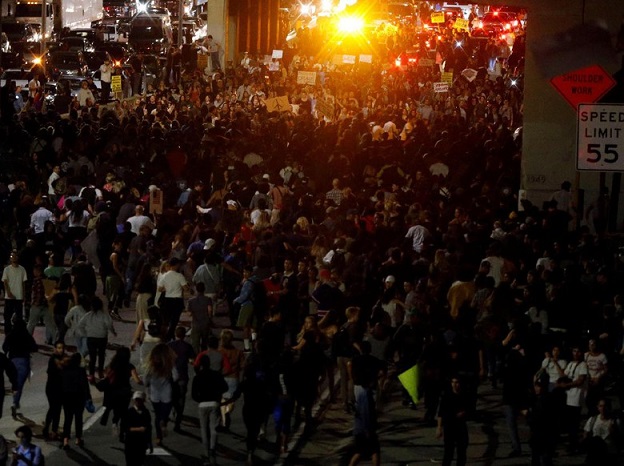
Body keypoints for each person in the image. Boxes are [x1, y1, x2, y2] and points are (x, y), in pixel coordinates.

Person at [192, 354, 228, 466]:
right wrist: (217, 395)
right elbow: (225, 387)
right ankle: (212, 448)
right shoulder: (216, 375)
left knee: (204, 430)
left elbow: (193, 394)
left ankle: (206, 454)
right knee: (213, 428)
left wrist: (200, 399)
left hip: (202, 404)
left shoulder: (197, 377)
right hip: (214, 403)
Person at [99, 347, 142, 435]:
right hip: (124, 392)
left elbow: (106, 376)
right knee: (123, 412)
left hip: (112, 391)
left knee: (115, 408)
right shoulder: (130, 366)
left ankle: (113, 421)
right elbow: (137, 380)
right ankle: (120, 429)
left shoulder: (111, 365)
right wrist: (142, 382)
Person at [2, 318, 37, 418]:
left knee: (15, 383)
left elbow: (5, 347)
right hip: (23, 361)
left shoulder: (10, 335)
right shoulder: (27, 335)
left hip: (12, 361)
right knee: (19, 384)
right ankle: (15, 403)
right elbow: (34, 347)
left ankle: (15, 402)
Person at [144, 343, 177, 446]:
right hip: (167, 393)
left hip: (154, 394)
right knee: (165, 413)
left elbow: (145, 380)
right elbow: (176, 376)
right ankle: (164, 423)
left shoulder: (151, 366)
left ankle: (158, 437)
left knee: (157, 415)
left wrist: (148, 385)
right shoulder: (169, 365)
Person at [78, 296, 117, 382]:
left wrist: (85, 333)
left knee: (92, 357)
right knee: (101, 355)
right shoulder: (104, 315)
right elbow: (109, 324)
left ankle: (91, 374)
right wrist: (113, 332)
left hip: (91, 338)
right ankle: (100, 372)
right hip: (102, 337)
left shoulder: (87, 315)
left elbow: (80, 325)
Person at [61, 352, 92, 449]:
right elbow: (85, 385)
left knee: (67, 419)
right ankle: (78, 438)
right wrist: (88, 397)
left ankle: (65, 439)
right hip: (78, 397)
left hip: (67, 397)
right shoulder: (81, 370)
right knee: (78, 418)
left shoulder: (65, 370)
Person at [437, 376, 469, 466]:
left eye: (457, 382)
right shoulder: (447, 396)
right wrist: (439, 428)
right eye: (453, 382)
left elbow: (469, 409)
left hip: (461, 426)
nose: (454, 385)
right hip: (449, 426)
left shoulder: (464, 395)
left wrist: (464, 412)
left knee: (462, 452)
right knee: (448, 453)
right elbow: (440, 413)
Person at [168, 326, 195, 432]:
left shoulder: (169, 346)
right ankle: (178, 420)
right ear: (184, 335)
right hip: (183, 375)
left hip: (170, 377)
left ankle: (172, 412)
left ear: (176, 334)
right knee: (181, 399)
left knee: (171, 396)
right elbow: (192, 359)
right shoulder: (187, 346)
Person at [157, 257, 189, 341]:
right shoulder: (179, 276)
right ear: (176, 265)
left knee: (166, 320)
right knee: (174, 320)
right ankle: (170, 335)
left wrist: (167, 288)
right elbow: (185, 288)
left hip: (167, 300)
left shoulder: (164, 276)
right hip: (177, 300)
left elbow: (159, 289)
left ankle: (165, 336)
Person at [218, 329, 243, 431]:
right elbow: (242, 365)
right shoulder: (238, 352)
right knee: (231, 400)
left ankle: (224, 419)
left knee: (223, 400)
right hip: (234, 377)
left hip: (222, 377)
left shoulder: (220, 352)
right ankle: (228, 411)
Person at [120, 391, 152, 466]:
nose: (138, 401)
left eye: (140, 399)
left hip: (141, 443)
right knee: (130, 462)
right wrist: (138, 429)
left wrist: (149, 443)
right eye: (136, 399)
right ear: (133, 400)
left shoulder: (146, 412)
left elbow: (149, 428)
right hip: (130, 443)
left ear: (143, 400)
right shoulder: (128, 412)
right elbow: (124, 428)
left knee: (140, 461)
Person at [42, 341, 66, 440]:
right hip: (52, 388)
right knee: (53, 408)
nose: (61, 350)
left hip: (60, 388)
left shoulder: (63, 359)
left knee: (57, 409)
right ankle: (47, 428)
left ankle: (54, 430)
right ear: (55, 348)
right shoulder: (53, 359)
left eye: (62, 348)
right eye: (59, 348)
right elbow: (53, 373)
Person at [582, 398, 616, 465]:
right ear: (597, 407)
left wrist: (613, 432)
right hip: (595, 453)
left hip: (609, 453)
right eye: (601, 406)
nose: (603, 408)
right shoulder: (592, 419)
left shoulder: (615, 421)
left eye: (605, 406)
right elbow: (585, 434)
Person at [2, 251, 27, 335]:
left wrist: (24, 295)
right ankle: (8, 333)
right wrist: (8, 292)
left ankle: (18, 332)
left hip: (19, 296)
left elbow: (23, 283)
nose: (13, 257)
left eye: (15, 256)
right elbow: (5, 282)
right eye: (12, 256)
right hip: (9, 297)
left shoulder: (22, 269)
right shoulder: (7, 269)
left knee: (19, 317)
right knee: (7, 316)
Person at [187, 281, 212, 354]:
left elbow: (189, 314)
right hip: (205, 323)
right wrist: (210, 318)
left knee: (195, 343)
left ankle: (196, 358)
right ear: (204, 289)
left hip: (195, 323)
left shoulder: (191, 301)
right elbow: (210, 310)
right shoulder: (208, 299)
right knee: (205, 342)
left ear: (196, 289)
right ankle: (203, 356)